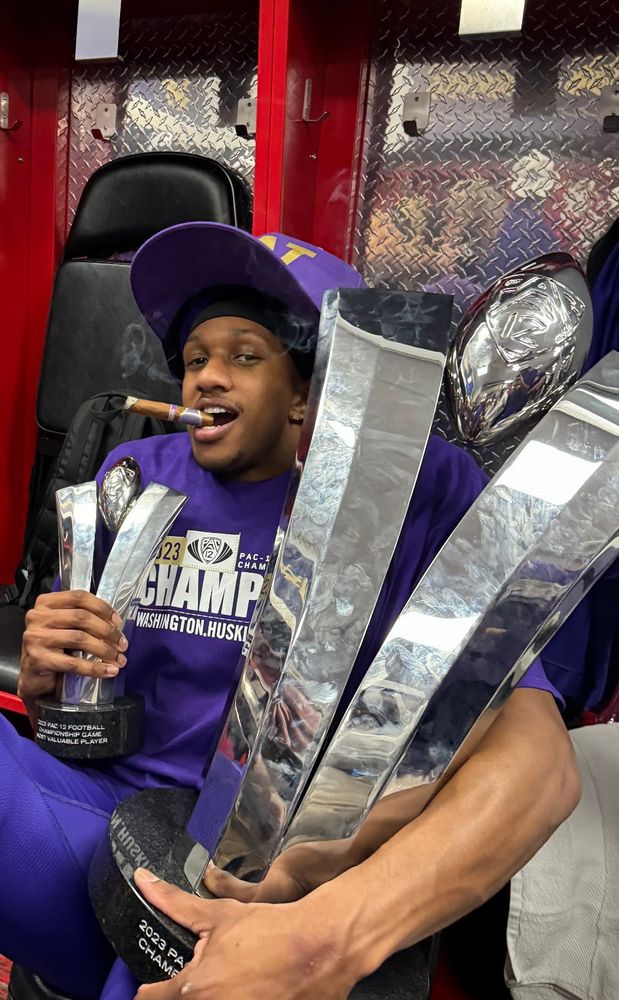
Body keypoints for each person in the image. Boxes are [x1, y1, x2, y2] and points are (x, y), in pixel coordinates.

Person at [7, 223, 579, 1000]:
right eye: (195, 359)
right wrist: (50, 683)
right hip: (110, 818)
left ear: (311, 390)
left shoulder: (422, 489)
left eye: (245, 356)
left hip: (282, 870)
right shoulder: (132, 471)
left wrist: (326, 931)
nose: (207, 379)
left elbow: (538, 762)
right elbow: (74, 709)